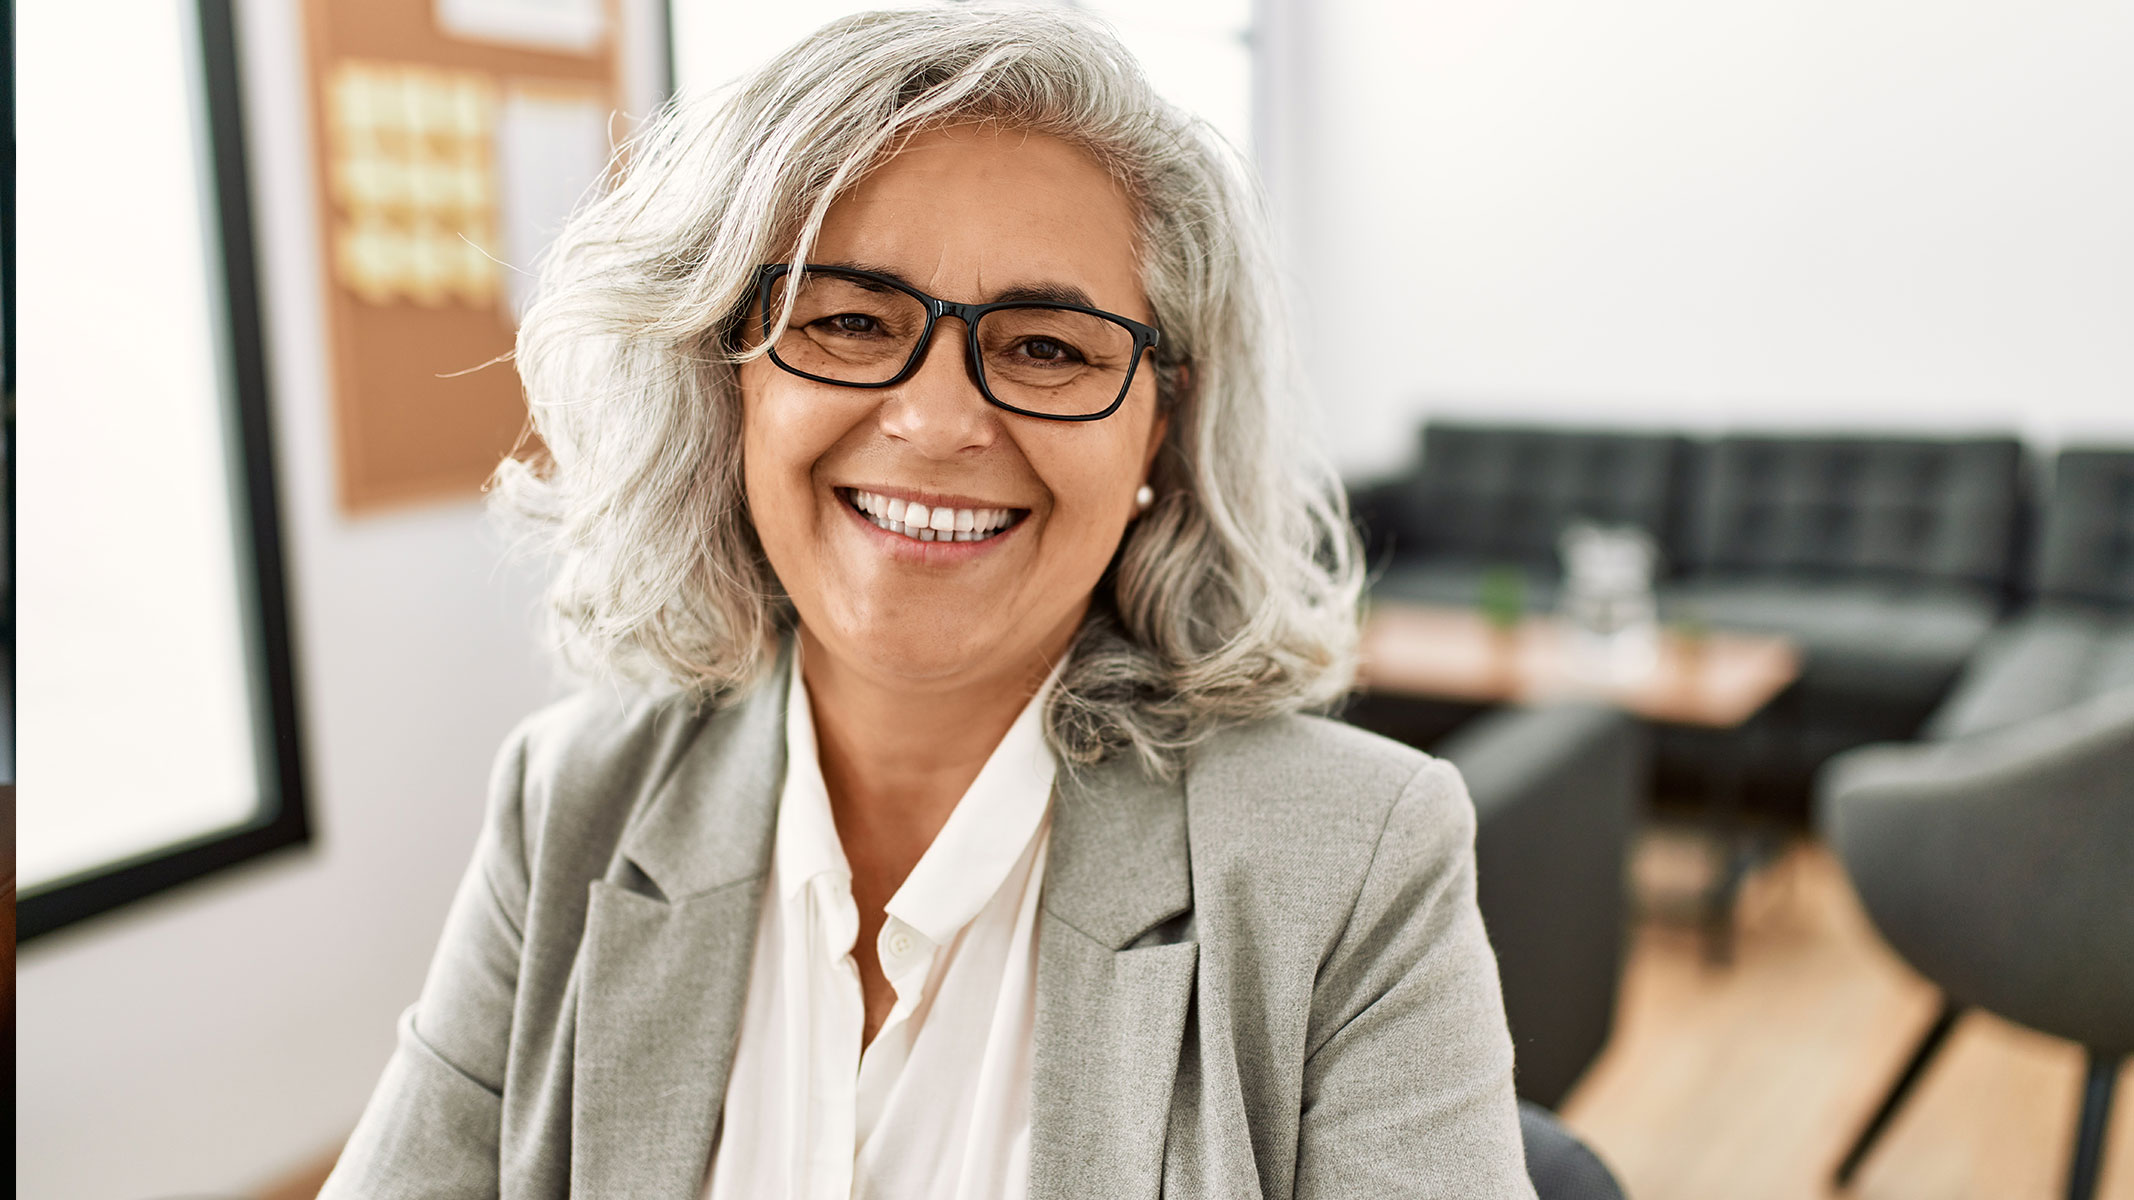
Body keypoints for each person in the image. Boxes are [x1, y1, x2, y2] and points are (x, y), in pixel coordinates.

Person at [321, 4, 1536, 1197]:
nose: (940, 421)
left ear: (1159, 424)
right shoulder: (571, 803)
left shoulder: (1357, 862)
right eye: (849, 320)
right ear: (722, 375)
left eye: (1046, 347)